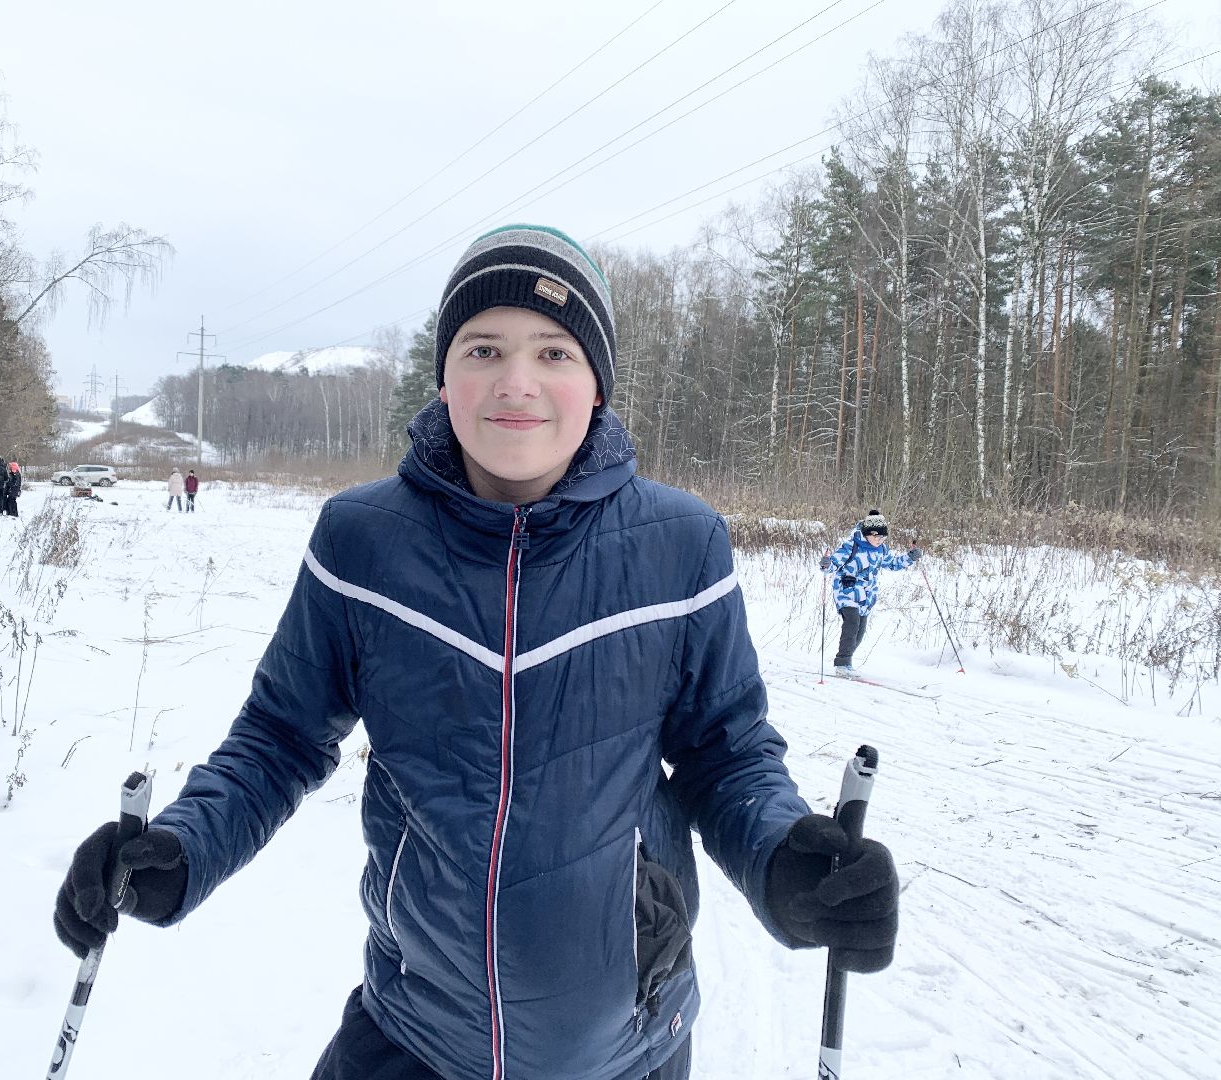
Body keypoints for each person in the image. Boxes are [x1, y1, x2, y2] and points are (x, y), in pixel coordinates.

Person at [53, 225, 899, 1080]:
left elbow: (726, 756)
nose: (517, 382)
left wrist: (784, 855)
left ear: (598, 383)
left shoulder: (680, 544)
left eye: (556, 352)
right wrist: (183, 848)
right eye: (484, 347)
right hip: (413, 1034)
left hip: (627, 1047)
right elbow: (279, 737)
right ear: (445, 376)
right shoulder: (361, 542)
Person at [820, 509, 922, 675]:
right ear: (867, 534)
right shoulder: (851, 546)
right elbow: (832, 564)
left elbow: (893, 564)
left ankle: (847, 661)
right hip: (847, 591)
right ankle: (842, 664)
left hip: (867, 596)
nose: (879, 540)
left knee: (860, 630)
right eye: (876, 536)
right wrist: (826, 563)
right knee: (851, 623)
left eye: (883, 537)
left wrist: (910, 557)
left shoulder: (881, 550)